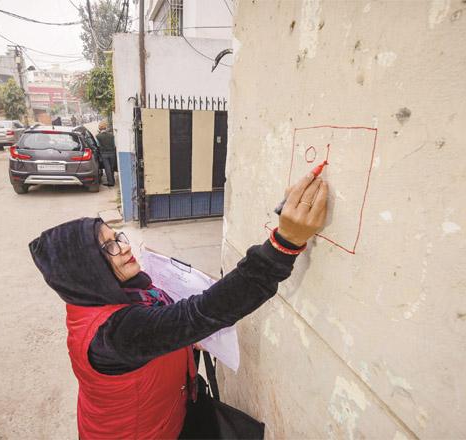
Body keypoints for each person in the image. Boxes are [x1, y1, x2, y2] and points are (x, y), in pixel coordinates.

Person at [29, 172, 328, 439]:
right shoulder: (114, 334)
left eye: (117, 236)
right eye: (109, 247)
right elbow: (202, 313)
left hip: (167, 413)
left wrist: (183, 341)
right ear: (85, 270)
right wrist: (285, 242)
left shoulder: (118, 291)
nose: (124, 246)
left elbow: (166, 324)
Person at [95, 121, 116, 187]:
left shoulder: (98, 136)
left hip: (104, 154)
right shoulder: (111, 135)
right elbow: (114, 144)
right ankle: (112, 180)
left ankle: (110, 182)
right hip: (112, 153)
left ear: (99, 128)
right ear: (106, 127)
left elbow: (98, 145)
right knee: (112, 168)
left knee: (107, 168)